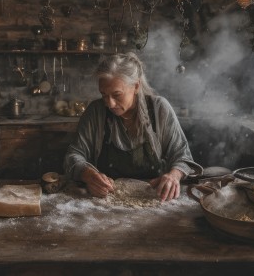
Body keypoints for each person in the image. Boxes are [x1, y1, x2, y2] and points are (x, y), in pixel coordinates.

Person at [64, 52, 202, 201]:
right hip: (105, 202)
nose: (109, 103)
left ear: (136, 86)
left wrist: (174, 176)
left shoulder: (159, 109)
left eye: (117, 95)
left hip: (155, 199)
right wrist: (88, 175)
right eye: (104, 95)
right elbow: (73, 156)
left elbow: (182, 155)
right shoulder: (96, 112)